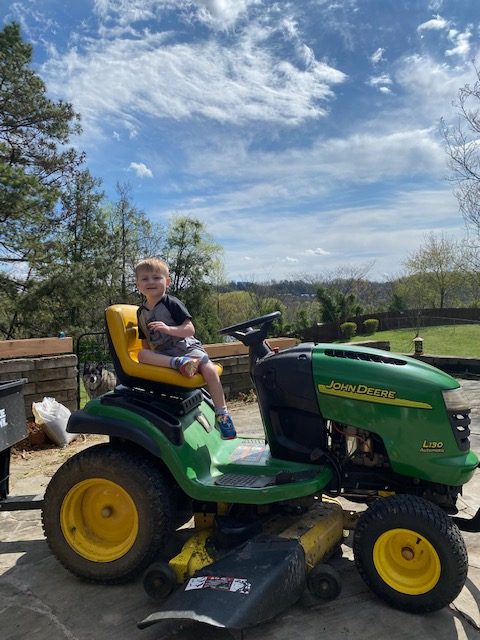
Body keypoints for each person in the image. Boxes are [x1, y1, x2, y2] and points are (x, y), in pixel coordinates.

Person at [134, 257, 236, 440]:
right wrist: (149, 360)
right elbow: (145, 341)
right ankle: (178, 364)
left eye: (156, 277)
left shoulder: (171, 303)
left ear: (167, 281)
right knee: (142, 354)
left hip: (185, 347)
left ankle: (222, 414)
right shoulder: (141, 312)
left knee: (210, 370)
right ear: (137, 284)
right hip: (165, 354)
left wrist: (168, 329)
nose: (150, 282)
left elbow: (190, 329)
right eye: (145, 278)